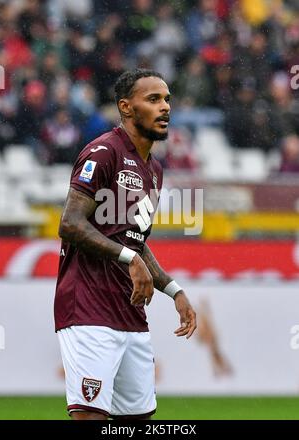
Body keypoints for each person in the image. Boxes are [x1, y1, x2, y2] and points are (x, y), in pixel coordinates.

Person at [54, 68, 197, 420]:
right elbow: (70, 223)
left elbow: (135, 239)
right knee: (91, 417)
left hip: (130, 313)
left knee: (136, 421)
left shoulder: (155, 170)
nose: (165, 107)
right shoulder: (103, 153)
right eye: (153, 99)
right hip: (88, 307)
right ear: (126, 107)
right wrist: (128, 257)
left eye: (167, 99)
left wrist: (175, 290)